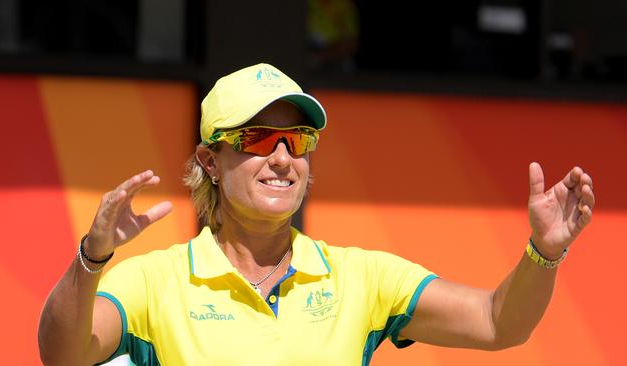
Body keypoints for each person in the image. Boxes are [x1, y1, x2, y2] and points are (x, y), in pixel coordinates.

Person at [38, 63, 595, 366]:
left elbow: (499, 324)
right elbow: (63, 359)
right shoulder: (153, 281)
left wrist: (544, 252)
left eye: (297, 139)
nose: (282, 158)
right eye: (258, 138)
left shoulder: (363, 277)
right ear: (210, 160)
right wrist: (92, 259)